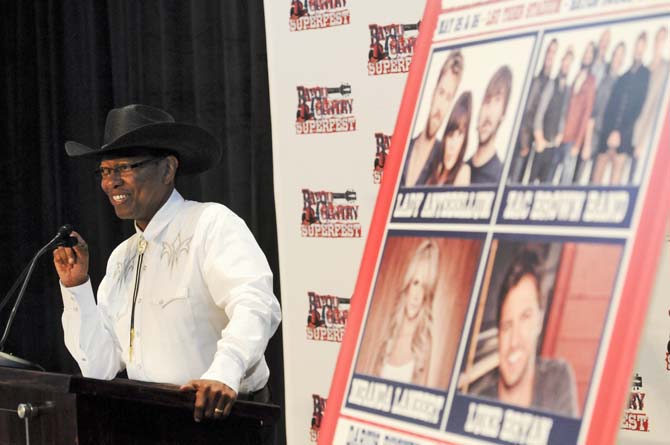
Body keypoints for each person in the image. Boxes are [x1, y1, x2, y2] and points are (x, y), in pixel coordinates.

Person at [52, 104, 281, 423]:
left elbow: (255, 304)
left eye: (125, 168)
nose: (111, 182)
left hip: (221, 418)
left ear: (168, 169)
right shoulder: (122, 258)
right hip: (149, 420)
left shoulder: (210, 224)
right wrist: (76, 288)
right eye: (105, 171)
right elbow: (100, 368)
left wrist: (224, 372)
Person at [469, 250, 578, 416]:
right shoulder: (477, 399)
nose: (514, 342)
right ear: (498, 334)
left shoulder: (557, 379)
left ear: (540, 321)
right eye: (507, 326)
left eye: (525, 317)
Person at [374, 240, 439, 385]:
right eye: (416, 283)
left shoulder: (424, 343)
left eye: (424, 288)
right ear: (407, 284)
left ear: (428, 295)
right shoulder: (389, 333)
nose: (417, 295)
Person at [401, 50, 464, 187]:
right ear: (433, 92)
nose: (441, 107)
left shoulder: (443, 161)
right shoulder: (405, 147)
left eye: (448, 98)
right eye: (441, 93)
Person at [594, 31, 650, 185]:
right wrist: (611, 133)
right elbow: (611, 108)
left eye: (642, 47)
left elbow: (638, 109)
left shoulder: (645, 75)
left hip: (625, 138)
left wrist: (619, 133)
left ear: (645, 49)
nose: (638, 50)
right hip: (607, 136)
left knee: (615, 181)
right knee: (596, 178)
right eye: (637, 46)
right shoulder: (623, 77)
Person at [509, 39, 558, 184]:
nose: (550, 56)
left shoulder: (551, 83)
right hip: (524, 139)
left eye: (553, 53)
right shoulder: (536, 80)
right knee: (515, 178)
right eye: (549, 51)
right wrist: (524, 141)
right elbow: (527, 111)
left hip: (537, 142)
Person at [554, 41, 597, 184]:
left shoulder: (591, 81)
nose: (587, 55)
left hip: (573, 139)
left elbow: (587, 113)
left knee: (565, 180)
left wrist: (578, 144)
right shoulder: (576, 75)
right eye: (586, 51)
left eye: (591, 53)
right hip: (561, 134)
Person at [631, 26, 669, 184]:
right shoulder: (645, 68)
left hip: (650, 136)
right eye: (657, 38)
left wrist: (644, 141)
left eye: (663, 39)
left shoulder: (666, 69)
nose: (659, 43)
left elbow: (656, 108)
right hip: (633, 131)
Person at [530, 47, 574, 184]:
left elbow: (563, 113)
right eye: (564, 63)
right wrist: (538, 135)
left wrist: (560, 133)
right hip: (541, 143)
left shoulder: (566, 89)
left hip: (553, 145)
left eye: (569, 64)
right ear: (561, 63)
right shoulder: (551, 83)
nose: (566, 67)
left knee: (546, 182)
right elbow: (540, 111)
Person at [586, 42, 626, 185]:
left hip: (608, 139)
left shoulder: (622, 82)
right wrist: (588, 140)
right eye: (616, 55)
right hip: (595, 135)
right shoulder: (604, 80)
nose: (618, 59)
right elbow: (594, 110)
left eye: (622, 56)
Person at [466, 65, 513, 184]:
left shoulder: (500, 179)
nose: (489, 113)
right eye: (487, 101)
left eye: (497, 100)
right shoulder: (460, 170)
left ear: (503, 113)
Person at [427, 91, 472, 186]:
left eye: (459, 135)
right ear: (445, 138)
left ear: (464, 140)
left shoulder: (463, 172)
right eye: (450, 135)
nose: (452, 145)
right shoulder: (435, 169)